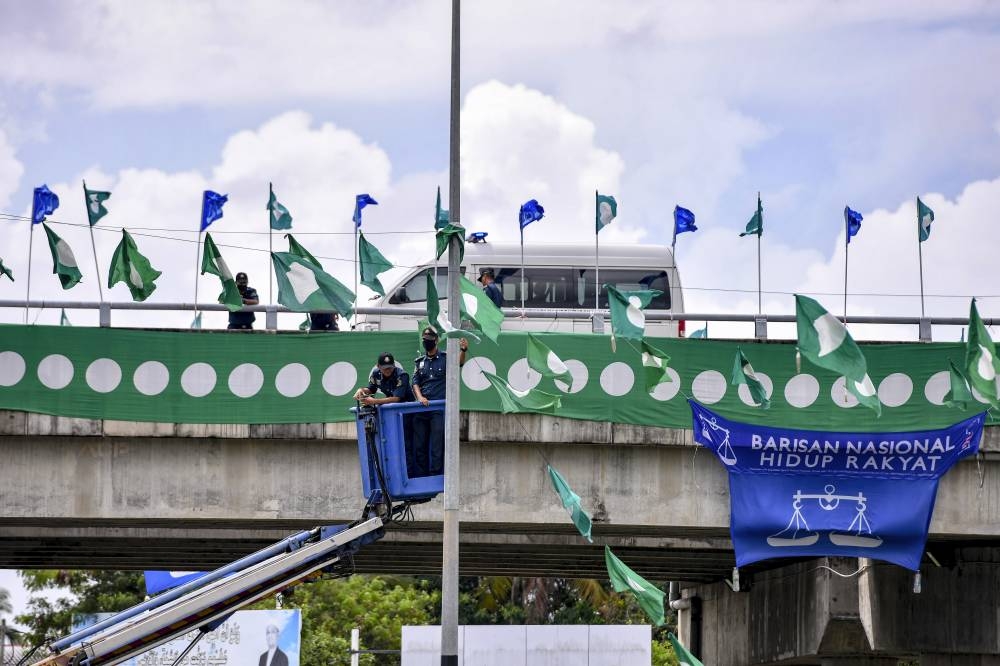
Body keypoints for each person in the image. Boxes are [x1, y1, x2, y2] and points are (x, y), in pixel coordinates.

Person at [411, 327, 467, 476]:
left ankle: (435, 474)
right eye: (424, 341)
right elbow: (415, 382)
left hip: (437, 408)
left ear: (436, 341)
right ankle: (422, 475)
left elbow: (458, 364)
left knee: (437, 443)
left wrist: (463, 350)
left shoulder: (445, 358)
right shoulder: (419, 362)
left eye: (429, 341)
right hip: (422, 408)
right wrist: (420, 397)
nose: (426, 343)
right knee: (419, 444)